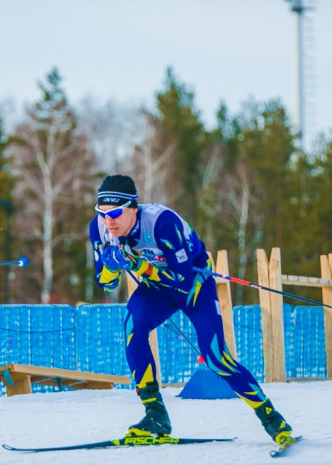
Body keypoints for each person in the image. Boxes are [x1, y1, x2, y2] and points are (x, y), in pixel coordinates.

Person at [88, 174, 294, 445]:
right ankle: (155, 415)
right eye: (102, 213)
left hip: (194, 287)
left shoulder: (162, 222)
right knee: (132, 326)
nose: (108, 220)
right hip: (158, 288)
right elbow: (106, 283)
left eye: (115, 212)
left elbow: (182, 282)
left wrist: (138, 266)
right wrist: (111, 267)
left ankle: (272, 419)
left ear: (133, 209)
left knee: (216, 358)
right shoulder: (100, 229)